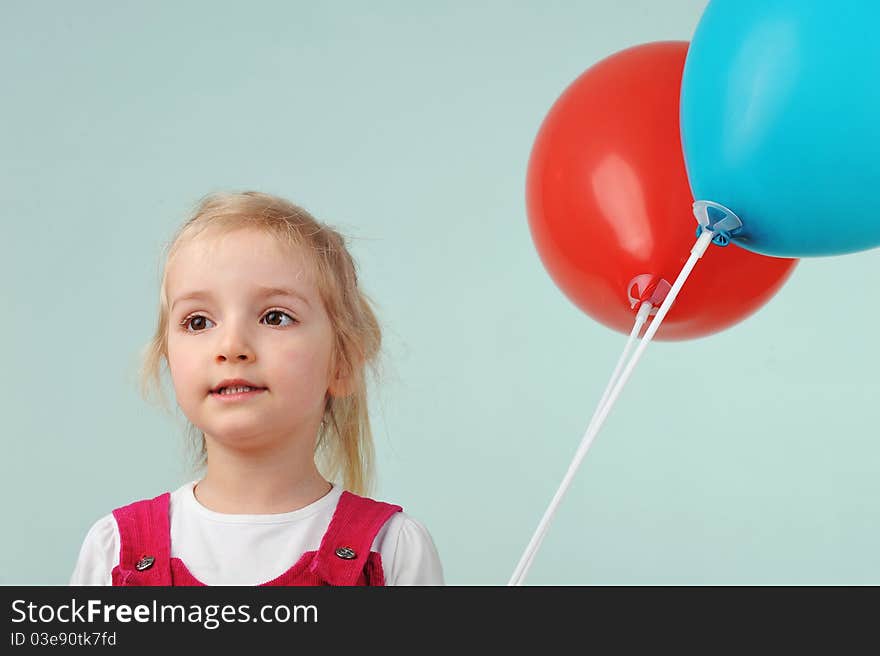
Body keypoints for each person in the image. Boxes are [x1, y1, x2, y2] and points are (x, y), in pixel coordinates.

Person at [70, 190, 444, 586]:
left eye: (275, 317)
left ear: (343, 363)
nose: (231, 346)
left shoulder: (391, 550)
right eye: (198, 322)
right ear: (168, 359)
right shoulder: (113, 555)